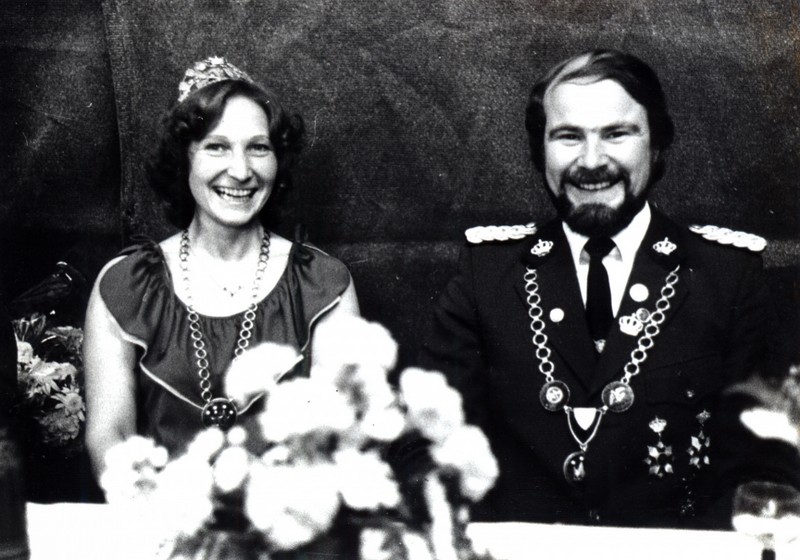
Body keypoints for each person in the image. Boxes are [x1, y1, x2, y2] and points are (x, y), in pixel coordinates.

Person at [419, 49, 797, 528]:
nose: (592, 161)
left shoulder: (728, 277)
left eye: (617, 134)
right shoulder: (487, 274)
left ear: (656, 145)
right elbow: (426, 442)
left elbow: (767, 466)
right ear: (540, 150)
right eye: (568, 136)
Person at [84, 57, 359, 477]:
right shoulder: (125, 285)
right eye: (217, 146)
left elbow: (335, 440)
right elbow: (110, 435)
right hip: (158, 512)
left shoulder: (323, 285)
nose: (241, 171)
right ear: (184, 159)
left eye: (258, 147)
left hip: (288, 513)